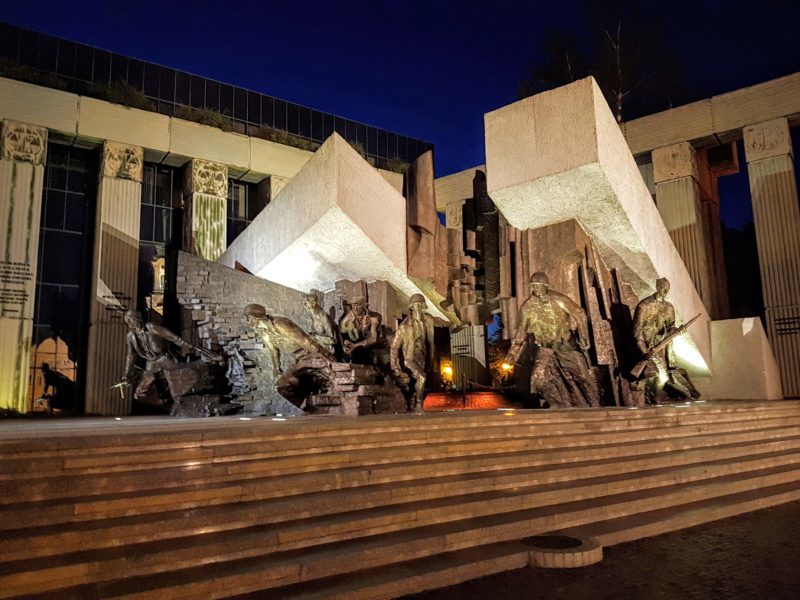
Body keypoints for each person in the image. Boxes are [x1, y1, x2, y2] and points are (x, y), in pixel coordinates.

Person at [504, 272, 599, 408]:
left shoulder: (559, 299)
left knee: (583, 375)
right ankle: (557, 404)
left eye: (539, 285)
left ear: (546, 285)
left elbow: (579, 314)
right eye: (534, 286)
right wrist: (513, 352)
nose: (536, 288)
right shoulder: (527, 307)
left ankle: (595, 404)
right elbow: (521, 331)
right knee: (537, 379)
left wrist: (584, 336)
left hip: (564, 345)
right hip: (545, 348)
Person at [120, 309, 217, 404]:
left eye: (130, 320)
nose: (129, 324)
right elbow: (131, 356)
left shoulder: (152, 327)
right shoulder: (130, 336)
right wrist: (127, 374)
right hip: (151, 363)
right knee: (139, 393)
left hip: (165, 359)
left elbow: (174, 338)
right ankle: (165, 402)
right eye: (127, 321)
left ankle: (205, 364)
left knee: (180, 383)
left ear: (137, 319)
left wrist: (194, 347)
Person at [632, 277, 699, 401]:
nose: (665, 293)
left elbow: (670, 328)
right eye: (663, 289)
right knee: (655, 375)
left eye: (667, 290)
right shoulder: (644, 306)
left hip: (661, 347)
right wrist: (644, 352)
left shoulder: (669, 307)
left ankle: (661, 394)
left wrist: (678, 331)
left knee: (673, 381)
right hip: (645, 348)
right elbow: (637, 332)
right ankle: (650, 394)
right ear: (657, 287)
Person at [243, 303, 334, 378]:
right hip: (298, 356)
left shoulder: (279, 324)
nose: (246, 320)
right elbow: (273, 351)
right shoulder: (265, 333)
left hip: (309, 353)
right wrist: (277, 370)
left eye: (249, 317)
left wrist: (326, 358)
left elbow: (305, 341)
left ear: (257, 317)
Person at [390, 294, 435, 411]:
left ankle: (413, 401)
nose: (418, 307)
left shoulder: (428, 321)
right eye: (416, 305)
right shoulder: (404, 327)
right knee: (422, 377)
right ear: (411, 307)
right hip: (409, 359)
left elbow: (431, 343)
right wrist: (395, 366)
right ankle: (419, 404)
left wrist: (431, 361)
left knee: (421, 384)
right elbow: (394, 347)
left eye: (421, 305)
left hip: (423, 357)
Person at [339, 296, 383, 363]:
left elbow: (373, 339)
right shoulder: (346, 320)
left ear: (363, 305)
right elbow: (342, 334)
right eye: (353, 305)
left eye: (358, 305)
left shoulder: (373, 317)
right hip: (355, 344)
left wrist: (355, 345)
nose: (356, 309)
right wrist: (346, 342)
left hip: (370, 344)